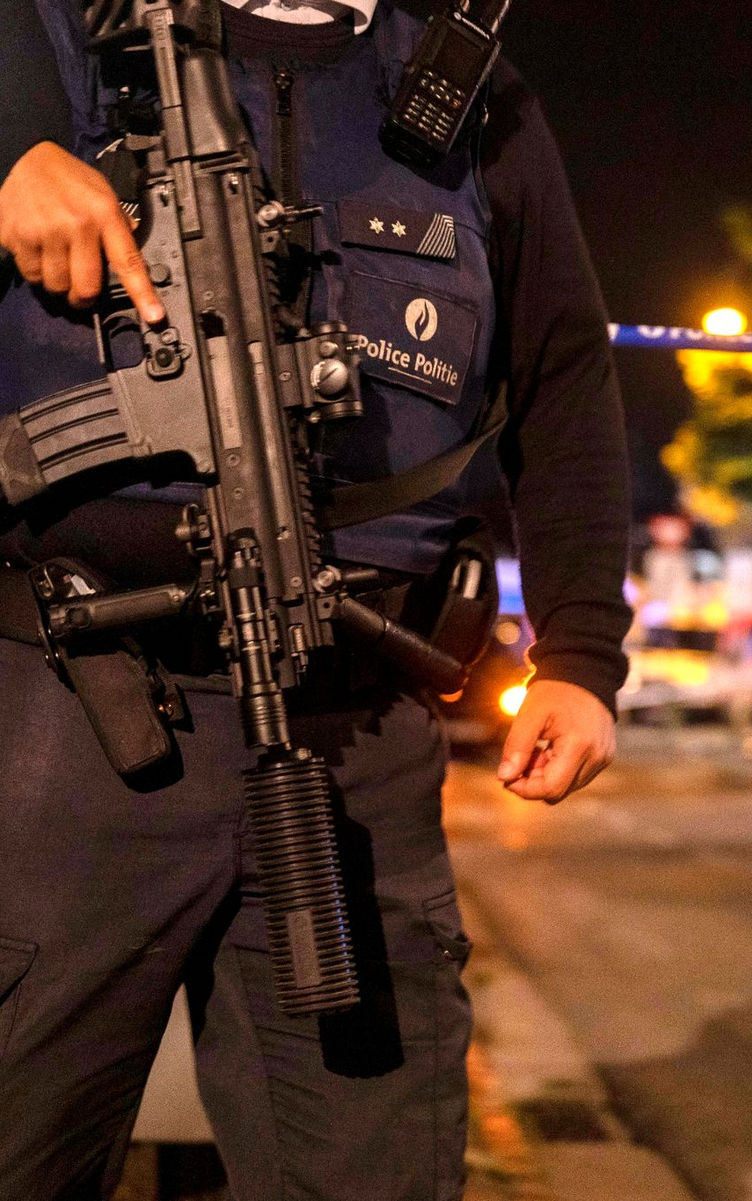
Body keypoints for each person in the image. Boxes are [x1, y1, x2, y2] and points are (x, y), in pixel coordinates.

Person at [0, 2, 632, 1198]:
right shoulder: (48, 30)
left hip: (353, 724)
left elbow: (563, 371)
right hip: (70, 718)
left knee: (369, 1169)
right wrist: (9, 157)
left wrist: (582, 655)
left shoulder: (465, 86)